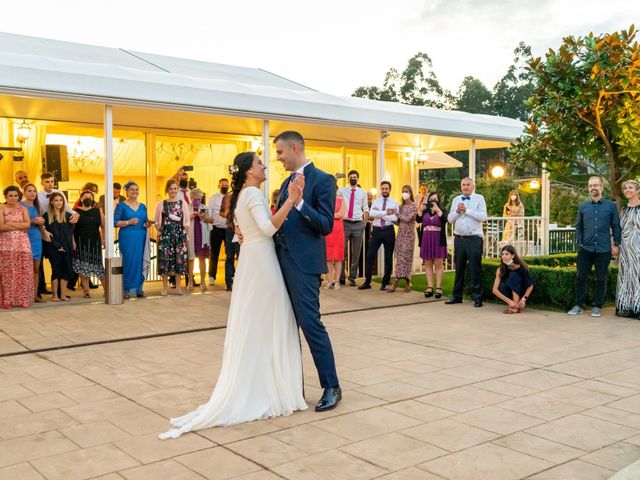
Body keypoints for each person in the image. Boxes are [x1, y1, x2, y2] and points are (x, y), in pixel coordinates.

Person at [159, 151, 308, 439]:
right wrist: (291, 199)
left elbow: (245, 230)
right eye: (259, 163)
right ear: (249, 171)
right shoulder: (252, 194)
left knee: (260, 322)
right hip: (262, 262)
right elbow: (266, 228)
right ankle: (268, 389)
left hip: (253, 259)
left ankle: (266, 385)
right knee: (270, 320)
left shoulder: (242, 195)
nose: (264, 165)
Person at [273, 131, 341, 411]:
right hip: (280, 261)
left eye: (280, 152)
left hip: (304, 265)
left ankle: (332, 386)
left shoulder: (323, 180)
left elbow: (326, 224)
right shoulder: (285, 181)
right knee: (284, 326)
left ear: (294, 147)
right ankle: (291, 387)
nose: (278, 158)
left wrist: (299, 202)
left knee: (311, 324)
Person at [568, 176, 621, 318]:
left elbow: (615, 226)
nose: (593, 187)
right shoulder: (583, 206)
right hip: (586, 249)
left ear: (602, 187)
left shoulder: (611, 206)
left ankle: (597, 306)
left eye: (596, 185)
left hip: (603, 249)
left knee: (601, 279)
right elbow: (578, 226)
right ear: (588, 188)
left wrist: (616, 244)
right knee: (580, 277)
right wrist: (580, 241)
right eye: (591, 185)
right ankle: (579, 305)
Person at [446, 177, 487, 307]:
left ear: (472, 185)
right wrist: (458, 212)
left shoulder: (479, 198)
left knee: (475, 269)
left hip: (474, 239)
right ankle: (457, 296)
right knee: (459, 269)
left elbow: (483, 217)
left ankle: (477, 297)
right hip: (459, 239)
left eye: (468, 184)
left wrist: (466, 211)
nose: (465, 187)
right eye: (463, 185)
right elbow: (450, 219)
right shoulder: (456, 200)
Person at [359, 181, 398, 291]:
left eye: (386, 188)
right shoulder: (376, 202)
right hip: (376, 231)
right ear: (380, 190)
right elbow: (371, 214)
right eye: (383, 189)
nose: (384, 190)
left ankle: (385, 283)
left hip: (388, 231)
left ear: (390, 189)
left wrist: (380, 213)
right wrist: (386, 213)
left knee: (388, 257)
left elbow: (395, 219)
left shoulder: (394, 203)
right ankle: (367, 282)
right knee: (370, 255)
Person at [114, 181, 150, 299]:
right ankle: (126, 289)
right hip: (127, 237)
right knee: (129, 261)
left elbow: (146, 220)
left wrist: (148, 224)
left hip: (141, 236)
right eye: (132, 190)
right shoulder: (121, 206)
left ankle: (139, 288)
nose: (135, 192)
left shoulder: (143, 206)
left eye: (136, 189)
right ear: (127, 192)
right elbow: (115, 222)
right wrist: (128, 222)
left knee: (140, 261)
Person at [0, 186, 34, 308]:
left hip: (22, 245)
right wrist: (19, 225)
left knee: (24, 272)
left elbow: (27, 225)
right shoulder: (1, 209)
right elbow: (1, 227)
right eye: (10, 196)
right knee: (7, 273)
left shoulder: (23, 209)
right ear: (6, 197)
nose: (13, 198)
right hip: (6, 245)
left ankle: (23, 299)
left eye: (16, 196)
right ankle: (7, 300)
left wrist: (10, 223)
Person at [154, 179, 190, 296]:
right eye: (170, 188)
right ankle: (164, 287)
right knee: (164, 260)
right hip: (165, 236)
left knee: (179, 259)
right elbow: (156, 221)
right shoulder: (161, 204)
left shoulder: (183, 203)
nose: (173, 191)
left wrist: (184, 234)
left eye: (175, 188)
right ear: (167, 190)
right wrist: (160, 231)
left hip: (179, 236)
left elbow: (187, 220)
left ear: (178, 189)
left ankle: (178, 287)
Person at [338, 170, 369, 286]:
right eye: (351, 177)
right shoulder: (342, 190)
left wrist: (364, 222)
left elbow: (365, 208)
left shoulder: (363, 192)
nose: (353, 178)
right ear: (348, 179)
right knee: (342, 251)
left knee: (356, 252)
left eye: (354, 177)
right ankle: (341, 277)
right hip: (345, 223)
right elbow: (334, 198)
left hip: (358, 223)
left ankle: (352, 277)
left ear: (358, 178)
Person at [72, 190, 105, 298]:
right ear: (81, 199)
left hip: (95, 242)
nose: (87, 198)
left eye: (90, 197)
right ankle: (86, 290)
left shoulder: (97, 210)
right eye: (85, 196)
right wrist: (73, 241)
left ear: (92, 199)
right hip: (80, 242)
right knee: (82, 266)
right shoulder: (76, 211)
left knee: (99, 266)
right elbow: (71, 228)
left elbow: (103, 225)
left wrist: (104, 239)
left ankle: (107, 289)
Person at [43, 192, 74, 302]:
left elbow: (70, 233)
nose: (58, 202)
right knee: (56, 271)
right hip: (53, 248)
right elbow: (47, 234)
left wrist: (67, 245)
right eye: (56, 200)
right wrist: (57, 246)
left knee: (65, 270)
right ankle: (55, 295)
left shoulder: (68, 216)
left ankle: (63, 295)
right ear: (52, 202)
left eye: (60, 200)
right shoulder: (46, 216)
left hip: (67, 247)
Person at [418, 192, 449, 299]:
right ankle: (430, 287)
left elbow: (445, 219)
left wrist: (438, 210)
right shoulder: (425, 211)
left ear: (439, 201)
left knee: (438, 264)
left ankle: (439, 287)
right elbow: (418, 220)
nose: (433, 201)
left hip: (438, 240)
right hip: (426, 240)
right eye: (431, 199)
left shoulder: (442, 210)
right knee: (428, 264)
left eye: (435, 199)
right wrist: (420, 210)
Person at [616, 179, 640, 319]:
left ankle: (637, 307)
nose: (627, 190)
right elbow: (619, 229)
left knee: (637, 277)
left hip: (638, 248)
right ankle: (624, 306)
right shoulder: (623, 210)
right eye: (625, 188)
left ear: (637, 191)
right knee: (625, 276)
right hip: (625, 248)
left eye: (630, 188)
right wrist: (616, 244)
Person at [387, 185, 417, 293]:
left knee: (406, 258)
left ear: (410, 193)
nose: (404, 193)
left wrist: (396, 213)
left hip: (409, 236)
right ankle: (405, 281)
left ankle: (396, 282)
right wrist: (388, 216)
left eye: (406, 191)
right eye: (403, 191)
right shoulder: (401, 206)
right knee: (399, 258)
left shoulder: (414, 205)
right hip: (400, 235)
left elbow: (408, 219)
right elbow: (399, 222)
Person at [20, 184, 46, 303]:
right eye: (29, 191)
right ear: (24, 192)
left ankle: (35, 295)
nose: (32, 193)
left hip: (36, 238)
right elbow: (17, 223)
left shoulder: (37, 206)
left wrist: (41, 222)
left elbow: (40, 224)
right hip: (23, 237)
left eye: (34, 191)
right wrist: (31, 221)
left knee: (36, 268)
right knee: (24, 268)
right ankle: (24, 295)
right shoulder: (20, 206)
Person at [492, 245, 534, 314]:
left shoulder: (521, 267)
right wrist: (509, 301)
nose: (504, 256)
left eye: (507, 254)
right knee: (502, 286)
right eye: (502, 254)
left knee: (513, 275)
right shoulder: (500, 269)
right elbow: (494, 290)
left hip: (522, 292)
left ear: (513, 256)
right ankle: (514, 305)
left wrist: (524, 299)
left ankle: (515, 306)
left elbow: (530, 285)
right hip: (509, 293)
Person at [206, 178, 230, 286]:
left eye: (226, 185)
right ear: (219, 186)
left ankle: (229, 278)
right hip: (216, 229)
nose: (225, 187)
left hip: (228, 229)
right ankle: (212, 276)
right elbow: (209, 212)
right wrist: (210, 227)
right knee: (214, 253)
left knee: (229, 254)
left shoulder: (231, 197)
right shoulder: (214, 198)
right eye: (223, 185)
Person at [189, 188, 211, 292]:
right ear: (191, 197)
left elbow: (211, 220)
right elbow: (183, 220)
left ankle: (202, 282)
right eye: (196, 198)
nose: (198, 200)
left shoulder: (204, 207)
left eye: (200, 198)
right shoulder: (187, 207)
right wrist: (191, 216)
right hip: (191, 235)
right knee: (190, 259)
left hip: (202, 236)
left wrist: (203, 217)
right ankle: (190, 282)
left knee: (202, 258)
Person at [324, 189, 346, 289]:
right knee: (328, 258)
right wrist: (334, 215)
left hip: (338, 231)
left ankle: (337, 281)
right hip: (327, 231)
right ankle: (330, 281)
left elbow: (342, 213)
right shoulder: (324, 200)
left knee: (338, 258)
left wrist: (329, 216)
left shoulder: (341, 200)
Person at [220, 190, 240, 291]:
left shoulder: (244, 192)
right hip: (230, 229)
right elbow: (221, 212)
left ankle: (240, 281)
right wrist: (226, 213)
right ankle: (229, 282)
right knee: (229, 256)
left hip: (242, 229)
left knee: (241, 256)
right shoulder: (228, 195)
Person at [416, 183, 428, 248]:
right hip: (417, 217)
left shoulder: (429, 197)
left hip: (425, 217)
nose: (423, 190)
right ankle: (420, 244)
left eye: (425, 189)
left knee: (423, 236)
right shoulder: (416, 197)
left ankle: (422, 245)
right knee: (418, 235)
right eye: (422, 189)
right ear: (419, 189)